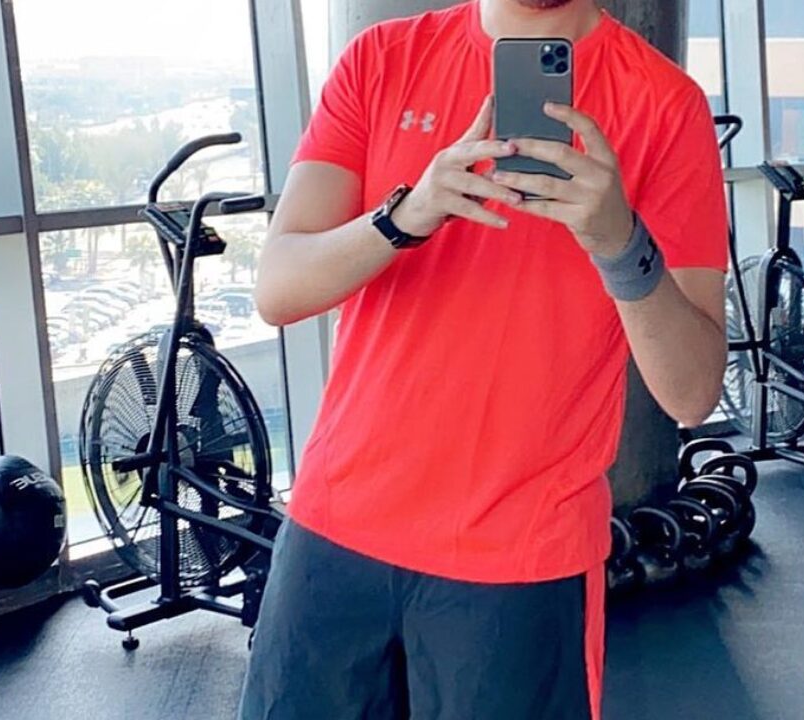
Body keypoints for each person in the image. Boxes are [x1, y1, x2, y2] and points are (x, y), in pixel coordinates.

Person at [240, 1, 728, 718]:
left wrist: (620, 242)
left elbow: (691, 392)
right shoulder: (381, 59)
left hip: (520, 557)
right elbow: (278, 290)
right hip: (334, 526)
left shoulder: (665, 104)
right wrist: (406, 215)